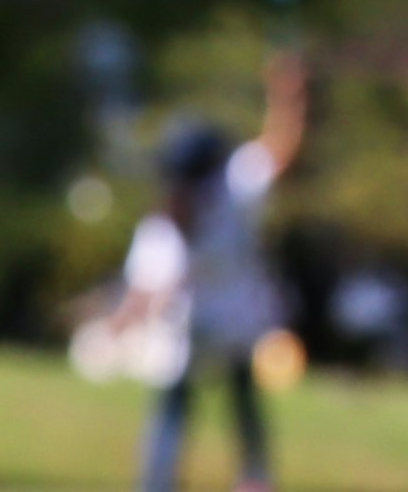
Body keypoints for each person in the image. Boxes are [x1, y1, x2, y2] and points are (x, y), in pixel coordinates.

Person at [106, 51, 305, 492]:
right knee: (175, 405)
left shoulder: (236, 188)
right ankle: (159, 483)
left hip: (236, 316)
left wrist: (286, 94)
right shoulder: (161, 227)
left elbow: (280, 147)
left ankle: (254, 478)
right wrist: (121, 320)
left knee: (242, 400)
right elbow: (145, 288)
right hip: (186, 328)